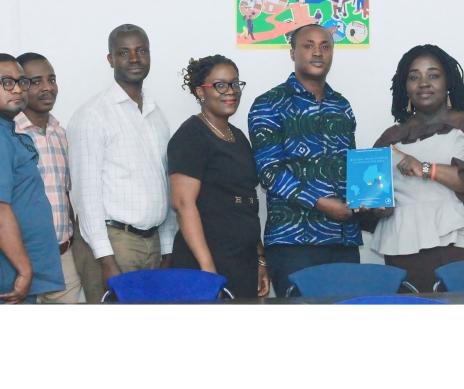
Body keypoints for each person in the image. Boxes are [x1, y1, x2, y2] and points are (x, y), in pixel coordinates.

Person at [368, 44, 464, 292]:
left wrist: (423, 168)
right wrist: (378, 207)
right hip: (405, 250)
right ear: (405, 86)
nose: (424, 83)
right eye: (414, 77)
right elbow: (370, 197)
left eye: (433, 75)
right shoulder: (389, 137)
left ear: (448, 82)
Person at [248, 24, 361, 296]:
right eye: (308, 45)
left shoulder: (341, 105)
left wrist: (370, 200)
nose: (317, 52)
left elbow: (353, 166)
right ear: (292, 53)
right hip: (294, 243)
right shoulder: (269, 103)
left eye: (325, 46)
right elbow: (269, 172)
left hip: (343, 241)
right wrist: (322, 204)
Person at [67, 24, 177, 302]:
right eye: (124, 52)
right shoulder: (92, 115)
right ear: (111, 59)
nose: (134, 58)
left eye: (141, 51)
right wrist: (106, 260)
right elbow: (86, 194)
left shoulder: (155, 113)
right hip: (114, 243)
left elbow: (164, 185)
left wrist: (166, 248)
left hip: (152, 242)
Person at [168, 55, 270, 298]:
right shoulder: (190, 136)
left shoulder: (238, 136)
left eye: (235, 84)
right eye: (220, 85)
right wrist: (207, 271)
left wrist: (260, 260)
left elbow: (247, 202)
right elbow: (183, 205)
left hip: (242, 261)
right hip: (205, 262)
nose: (231, 91)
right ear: (200, 91)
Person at [15, 52, 82, 303]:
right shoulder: (9, 135)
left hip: (62, 258)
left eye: (51, 79)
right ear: (20, 86)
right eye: (35, 81)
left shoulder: (60, 134)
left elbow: (67, 194)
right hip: (19, 260)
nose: (47, 88)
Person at [0, 53, 63, 304]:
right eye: (6, 82)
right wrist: (25, 270)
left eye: (21, 81)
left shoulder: (10, 132)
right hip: (12, 276)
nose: (16, 89)